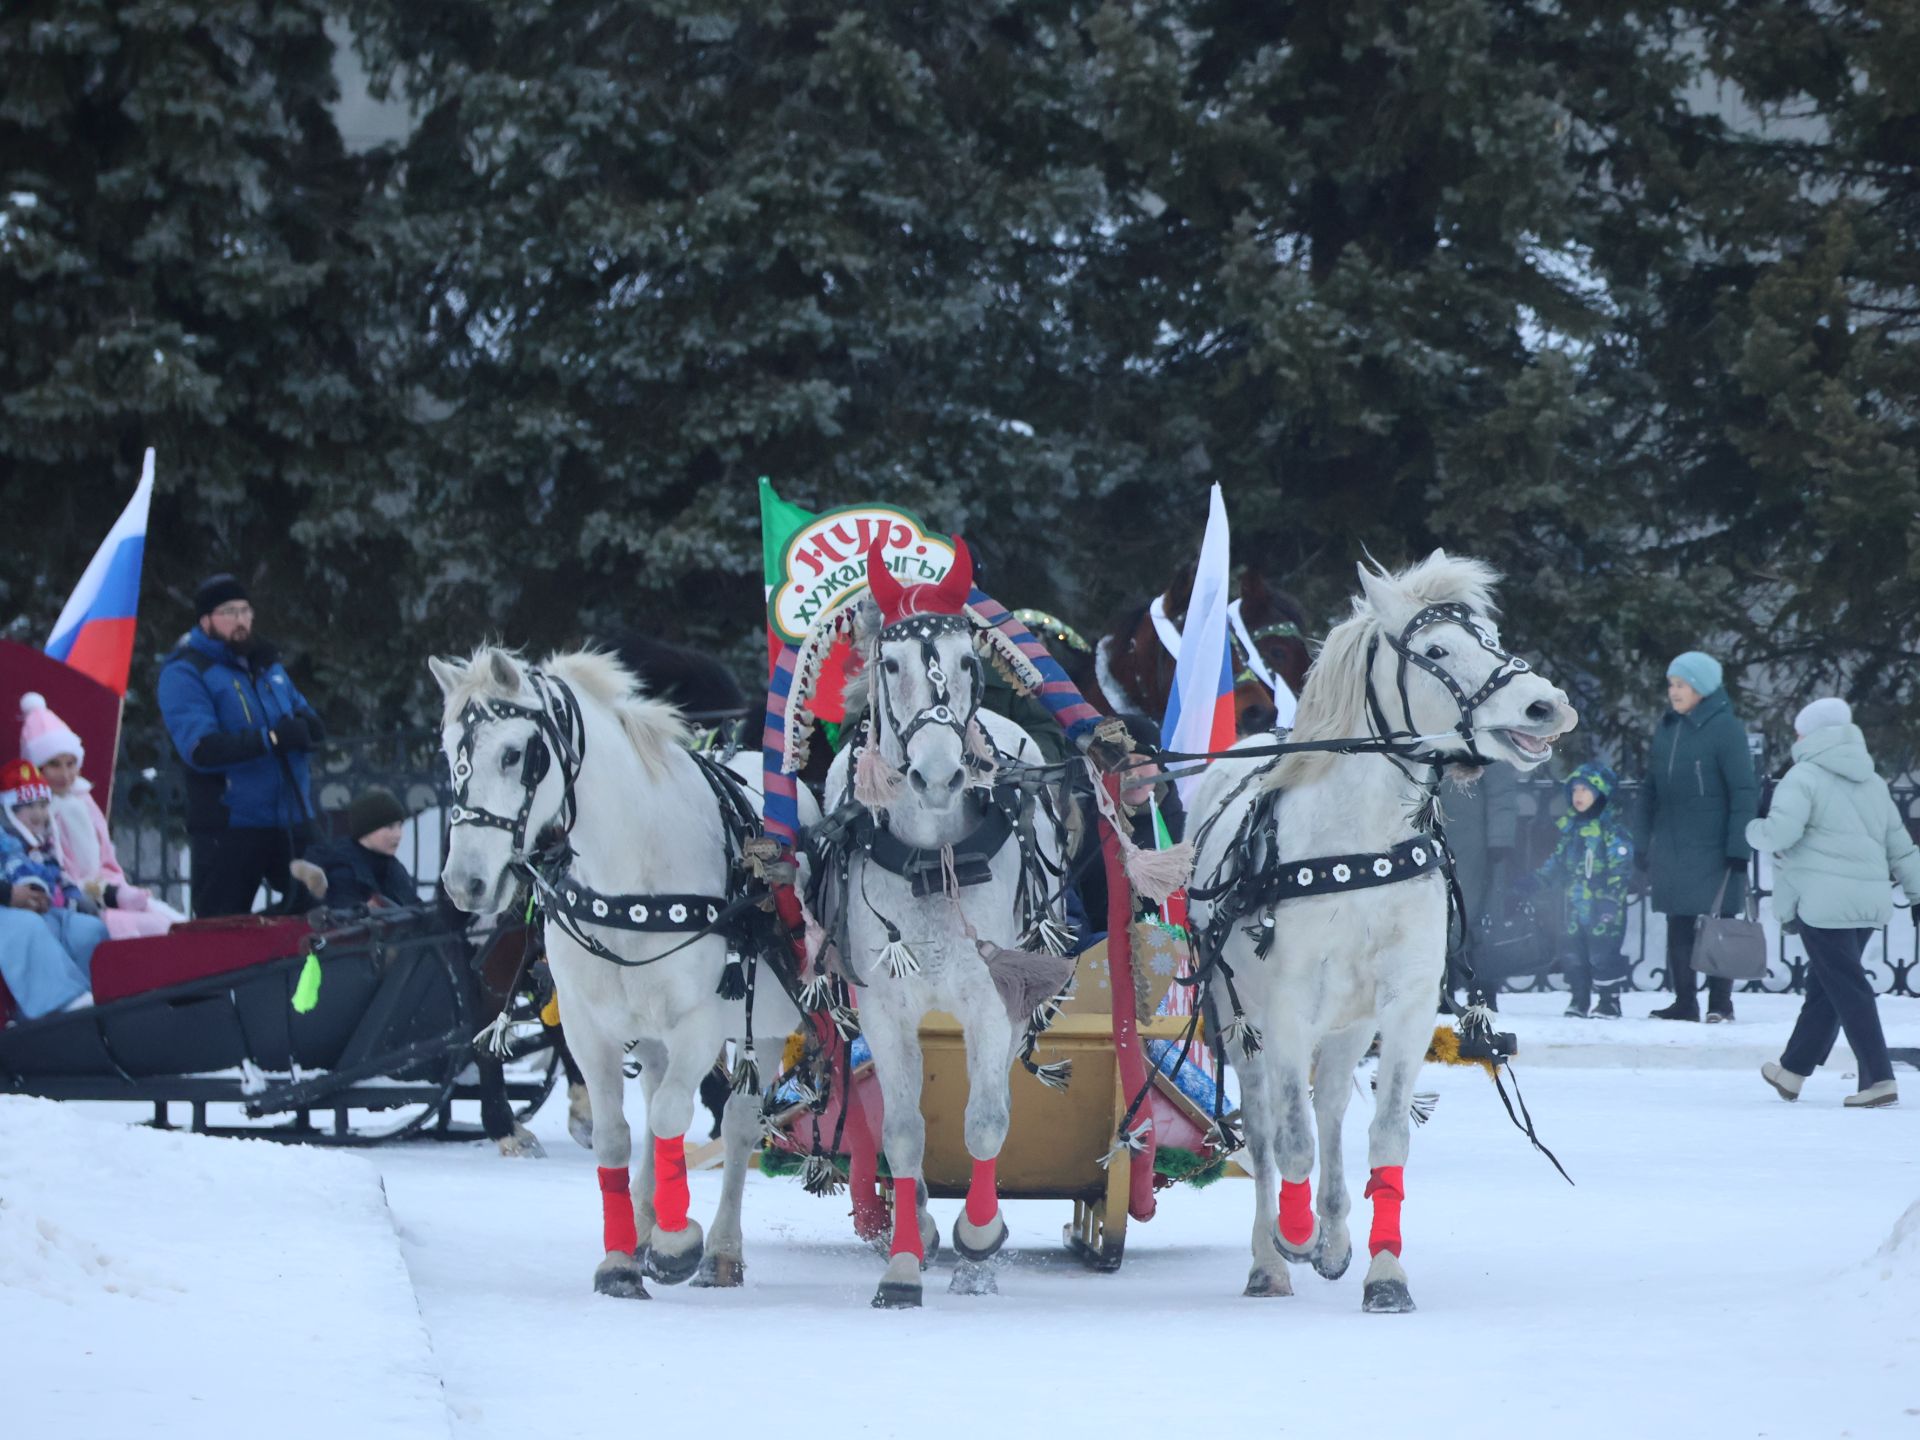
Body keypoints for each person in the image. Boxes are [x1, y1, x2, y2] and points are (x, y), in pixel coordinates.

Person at [1751, 699, 1920, 1109]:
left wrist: (1756, 826)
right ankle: (1792, 1071)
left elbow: (1780, 835)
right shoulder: (1873, 782)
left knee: (1846, 988)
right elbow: (1901, 847)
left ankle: (1880, 1078)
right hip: (1866, 903)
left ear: (1809, 736)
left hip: (1822, 903)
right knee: (1826, 988)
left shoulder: (1803, 777)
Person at [156, 574, 329, 917]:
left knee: (325, 906)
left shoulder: (267, 666)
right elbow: (201, 748)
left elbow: (307, 717)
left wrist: (306, 728)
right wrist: (272, 739)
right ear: (205, 621)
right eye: (229, 612)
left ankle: (288, 965)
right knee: (219, 928)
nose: (240, 620)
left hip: (290, 819)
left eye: (246, 611)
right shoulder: (186, 672)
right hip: (231, 825)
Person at [1633, 651, 1757, 1022]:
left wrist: (1738, 848)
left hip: (1715, 847)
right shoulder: (1668, 727)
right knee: (1678, 922)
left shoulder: (1726, 729)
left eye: (1681, 685)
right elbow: (1649, 789)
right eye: (1671, 685)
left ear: (1701, 687)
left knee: (1720, 922)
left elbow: (1743, 792)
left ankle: (1721, 1004)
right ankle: (1685, 1002)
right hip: (1673, 845)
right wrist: (1642, 842)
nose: (1673, 692)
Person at [18, 692, 180, 937]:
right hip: (69, 902)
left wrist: (118, 891)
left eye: (71, 763)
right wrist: (104, 895)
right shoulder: (33, 811)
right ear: (37, 767)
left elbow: (106, 859)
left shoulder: (82, 798)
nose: (65, 774)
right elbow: (55, 871)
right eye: (54, 764)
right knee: (145, 930)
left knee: (168, 924)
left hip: (102, 891)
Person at [1525, 762, 1635, 1018]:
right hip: (1573, 907)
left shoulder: (1612, 830)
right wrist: (1535, 881)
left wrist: (1610, 899)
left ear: (1600, 793)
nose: (1578, 796)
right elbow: (1557, 862)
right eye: (1575, 790)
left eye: (1585, 790)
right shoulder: (1571, 829)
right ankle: (1579, 998)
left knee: (1603, 954)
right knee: (1573, 953)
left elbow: (1621, 869)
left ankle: (1609, 1000)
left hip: (1604, 908)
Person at [0, 759, 108, 1017]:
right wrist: (9, 894)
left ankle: (101, 999)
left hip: (28, 904)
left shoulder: (41, 841)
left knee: (87, 929)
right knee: (26, 926)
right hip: (8, 907)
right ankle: (58, 1007)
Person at [1442, 763, 1519, 1006]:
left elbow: (1501, 786)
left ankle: (1482, 990)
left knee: (1472, 915)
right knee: (1434, 917)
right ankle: (1441, 990)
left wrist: (1500, 838)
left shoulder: (1481, 731)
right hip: (1434, 835)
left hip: (1472, 839)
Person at [305, 787, 419, 908]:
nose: (398, 834)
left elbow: (412, 906)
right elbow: (344, 919)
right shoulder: (343, 870)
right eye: (390, 827)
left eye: (399, 826)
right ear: (367, 830)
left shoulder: (392, 866)